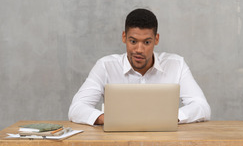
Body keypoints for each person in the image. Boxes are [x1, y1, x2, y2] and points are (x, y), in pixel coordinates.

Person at [68, 8, 211, 125]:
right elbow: (76, 108)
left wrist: (169, 118)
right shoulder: (105, 66)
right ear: (124, 37)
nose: (139, 49)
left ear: (156, 39)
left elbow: (202, 107)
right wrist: (107, 119)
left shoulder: (176, 64)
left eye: (147, 42)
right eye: (133, 41)